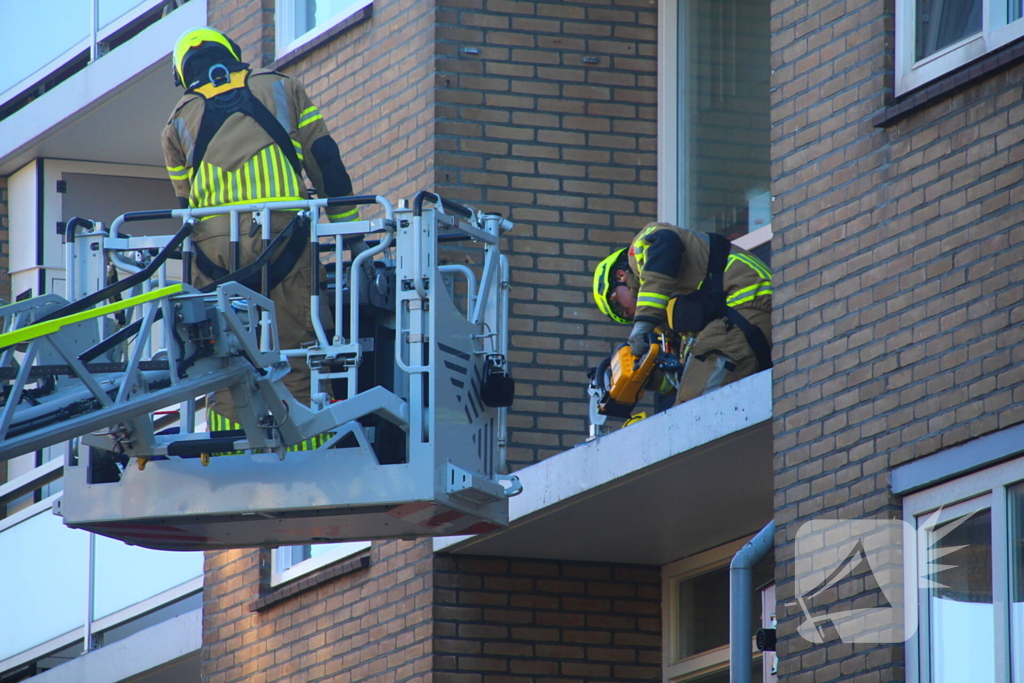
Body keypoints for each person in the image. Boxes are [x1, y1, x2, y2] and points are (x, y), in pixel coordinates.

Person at [162, 26, 365, 426]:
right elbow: (326, 161)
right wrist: (354, 238)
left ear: (183, 74)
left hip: (216, 256)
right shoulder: (282, 88)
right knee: (298, 356)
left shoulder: (176, 122)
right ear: (232, 53)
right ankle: (307, 449)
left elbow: (186, 208)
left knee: (224, 362)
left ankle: (229, 452)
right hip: (286, 240)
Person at [593, 222, 773, 406]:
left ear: (620, 275)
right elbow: (686, 378)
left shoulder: (643, 247)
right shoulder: (673, 320)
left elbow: (667, 244)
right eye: (624, 316)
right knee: (688, 403)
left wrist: (643, 323)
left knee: (692, 406)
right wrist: (646, 375)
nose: (628, 313)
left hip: (747, 301)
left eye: (617, 304)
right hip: (739, 322)